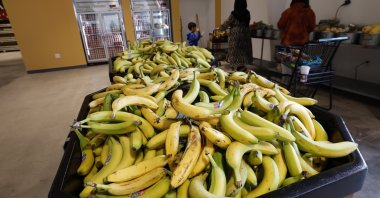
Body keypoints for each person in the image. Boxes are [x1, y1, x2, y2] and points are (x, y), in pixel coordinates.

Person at [219, 0, 252, 71]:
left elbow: (227, 23)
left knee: (235, 51)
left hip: (236, 34)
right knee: (244, 50)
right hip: (245, 33)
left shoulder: (234, 14)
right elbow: (247, 22)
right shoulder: (247, 13)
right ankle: (242, 66)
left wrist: (221, 28)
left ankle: (237, 67)